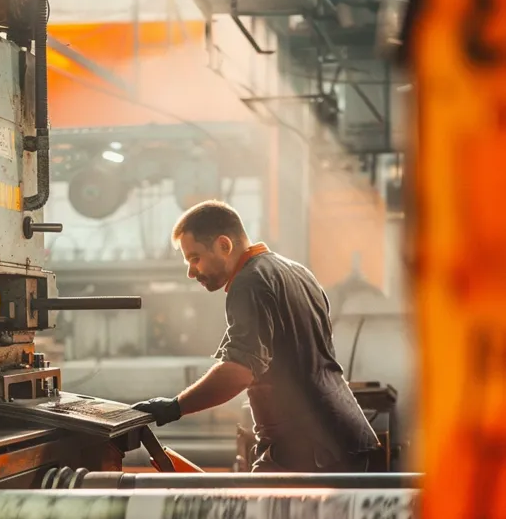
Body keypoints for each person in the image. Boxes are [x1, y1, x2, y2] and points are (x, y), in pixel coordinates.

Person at [133, 200, 379, 472]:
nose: (191, 272)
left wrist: (174, 407)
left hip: (308, 448)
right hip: (344, 438)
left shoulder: (249, 282)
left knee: (252, 512)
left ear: (224, 245)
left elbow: (240, 370)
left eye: (195, 258)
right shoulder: (297, 272)